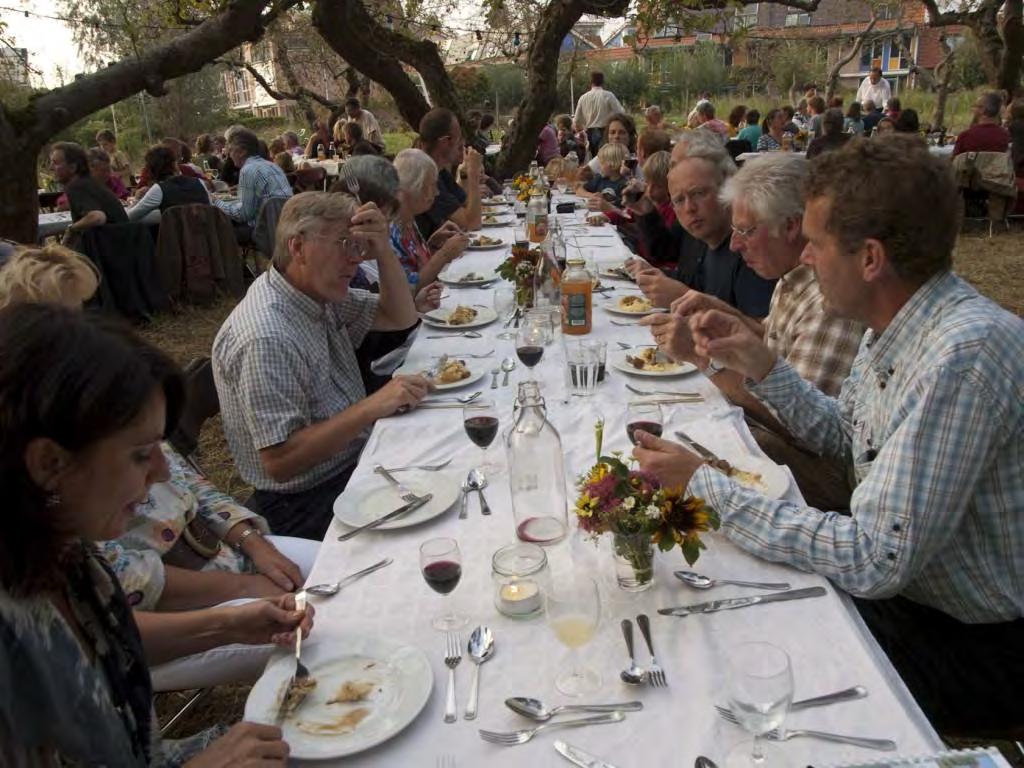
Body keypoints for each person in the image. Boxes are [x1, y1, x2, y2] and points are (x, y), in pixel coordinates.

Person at [633, 135, 1023, 735]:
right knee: (711, 597)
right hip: (913, 597)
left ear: (869, 258)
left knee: (730, 667)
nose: (806, 259)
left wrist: (707, 488)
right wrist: (762, 366)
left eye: (814, 243)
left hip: (972, 642)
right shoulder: (895, 318)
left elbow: (875, 557)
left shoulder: (963, 355)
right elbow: (849, 437)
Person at [0, 301, 311, 765]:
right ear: (49, 463)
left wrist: (230, 623)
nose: (165, 472)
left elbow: (111, 645)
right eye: (141, 455)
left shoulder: (67, 552)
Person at [641, 153, 864, 509]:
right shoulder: (792, 278)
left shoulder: (829, 300)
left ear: (792, 226)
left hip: (812, 491)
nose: (734, 244)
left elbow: (796, 426)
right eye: (678, 199)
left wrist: (701, 358)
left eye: (744, 230)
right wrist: (719, 310)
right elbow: (775, 344)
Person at [213, 192, 428, 539]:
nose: (356, 260)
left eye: (359, 247)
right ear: (298, 247)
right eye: (345, 244)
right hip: (305, 502)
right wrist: (370, 408)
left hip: (352, 464)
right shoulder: (265, 336)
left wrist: (384, 250)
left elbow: (400, 316)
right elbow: (280, 462)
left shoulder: (311, 295)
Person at [632, 132, 776, 317]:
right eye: (679, 200)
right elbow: (688, 277)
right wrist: (656, 277)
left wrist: (684, 296)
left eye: (699, 193)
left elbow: (765, 337)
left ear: (728, 186)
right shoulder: (700, 231)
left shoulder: (751, 246)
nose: (689, 207)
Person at [390, 148, 470, 286]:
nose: (437, 192)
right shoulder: (390, 231)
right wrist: (444, 254)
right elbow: (408, 288)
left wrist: (432, 245)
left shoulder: (408, 220)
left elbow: (416, 265)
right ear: (413, 185)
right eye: (432, 185)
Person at [415, 107, 483, 237]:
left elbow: (465, 203)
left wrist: (464, 175)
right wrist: (473, 173)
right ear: (445, 142)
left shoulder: (440, 171)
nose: (462, 145)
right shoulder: (426, 175)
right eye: (458, 140)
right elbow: (472, 223)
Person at [49, 141, 128, 248]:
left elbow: (97, 217)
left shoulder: (76, 186)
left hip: (113, 253)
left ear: (72, 167)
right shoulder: (88, 183)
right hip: (123, 249)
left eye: (55, 163)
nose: (51, 167)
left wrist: (71, 229)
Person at [213, 128, 293, 233]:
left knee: (220, 230)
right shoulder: (272, 166)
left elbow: (243, 215)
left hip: (264, 233)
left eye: (230, 150)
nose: (229, 155)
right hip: (286, 227)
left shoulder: (247, 170)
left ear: (242, 151)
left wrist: (216, 202)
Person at [129, 145, 211, 222]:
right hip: (207, 235)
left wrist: (136, 200)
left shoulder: (159, 189)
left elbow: (130, 217)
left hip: (176, 236)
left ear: (150, 169)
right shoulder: (199, 183)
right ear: (174, 164)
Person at [572, 71, 626, 152]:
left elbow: (576, 121)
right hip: (605, 131)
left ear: (590, 82)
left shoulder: (583, 98)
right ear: (603, 82)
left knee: (593, 159)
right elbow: (621, 113)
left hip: (589, 133)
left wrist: (580, 130)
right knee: (606, 156)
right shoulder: (608, 95)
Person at [953, 91, 1011, 156]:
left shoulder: (965, 136)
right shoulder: (1005, 136)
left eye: (975, 106)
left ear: (982, 109)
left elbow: (955, 162)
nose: (973, 109)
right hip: (996, 166)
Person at [582, 112, 636, 177]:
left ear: (630, 136)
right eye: (612, 132)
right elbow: (583, 172)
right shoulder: (604, 156)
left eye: (622, 132)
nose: (616, 136)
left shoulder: (634, 160)